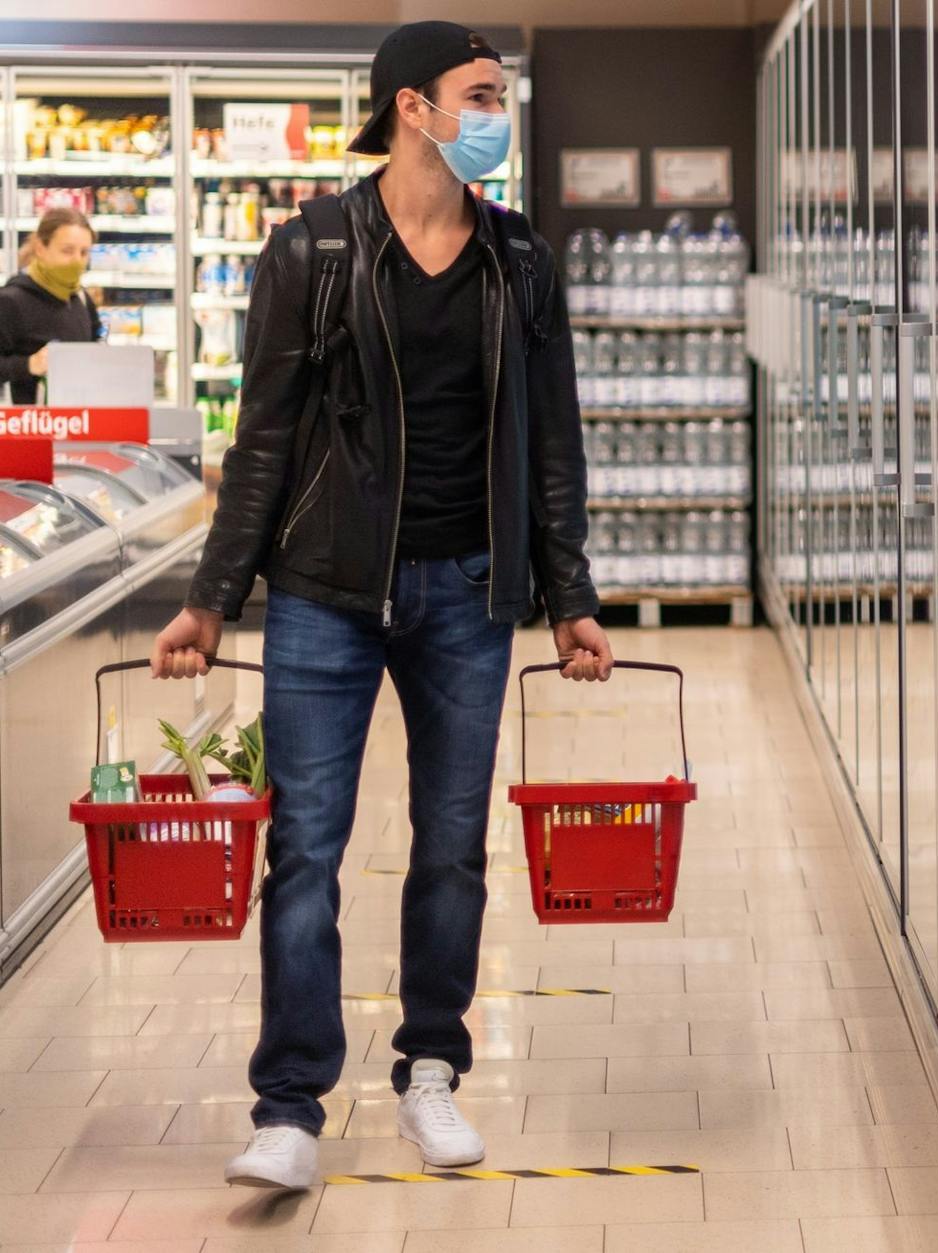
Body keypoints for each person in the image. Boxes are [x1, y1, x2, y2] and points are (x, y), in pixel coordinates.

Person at [149, 21, 613, 1190]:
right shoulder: (312, 249)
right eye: (480, 94)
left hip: (469, 589)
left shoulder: (521, 261)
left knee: (451, 846)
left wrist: (570, 593)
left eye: (498, 96)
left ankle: (431, 1068)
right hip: (327, 590)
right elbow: (261, 439)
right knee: (305, 845)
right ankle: (288, 1107)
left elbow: (552, 440)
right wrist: (211, 597)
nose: (496, 114)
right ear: (413, 107)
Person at [0, 208, 102, 402]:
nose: (77, 261)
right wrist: (29, 364)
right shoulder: (11, 301)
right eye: (67, 251)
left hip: (82, 415)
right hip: (31, 419)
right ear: (40, 248)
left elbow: (98, 337)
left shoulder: (80, 297)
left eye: (84, 253)